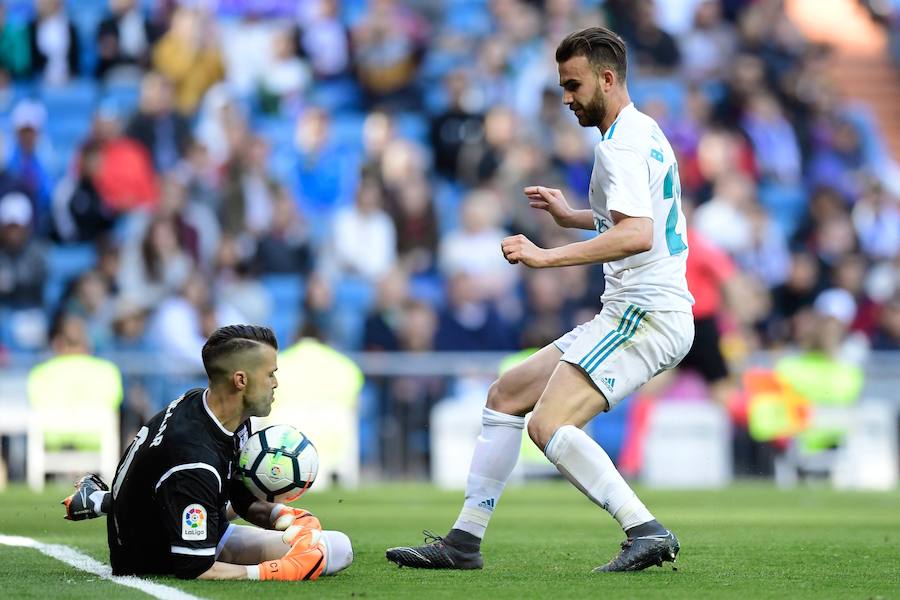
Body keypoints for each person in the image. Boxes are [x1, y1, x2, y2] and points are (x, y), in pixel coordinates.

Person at [386, 26, 694, 573]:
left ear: (606, 77)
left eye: (573, 86)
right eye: (561, 87)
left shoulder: (620, 145)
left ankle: (646, 529)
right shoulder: (642, 130)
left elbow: (637, 234)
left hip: (645, 312)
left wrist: (544, 254)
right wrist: (569, 215)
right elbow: (632, 219)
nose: (567, 98)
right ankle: (464, 541)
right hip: (632, 309)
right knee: (506, 395)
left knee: (548, 427)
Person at [61, 324, 353, 581]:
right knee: (331, 551)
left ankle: (101, 500)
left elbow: (236, 493)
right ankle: (105, 501)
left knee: (332, 544)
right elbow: (195, 567)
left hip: (174, 513)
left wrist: (285, 516)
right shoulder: (194, 461)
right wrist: (274, 571)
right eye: (270, 374)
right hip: (151, 554)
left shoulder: (209, 406)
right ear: (241, 381)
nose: (276, 383)